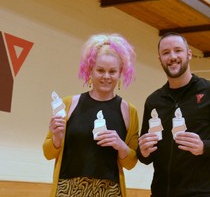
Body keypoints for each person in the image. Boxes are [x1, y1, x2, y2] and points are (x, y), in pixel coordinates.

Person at [137, 32, 210, 197]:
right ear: (160, 59)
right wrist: (143, 152)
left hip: (201, 192)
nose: (172, 57)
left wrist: (204, 147)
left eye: (178, 50)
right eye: (166, 53)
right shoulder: (153, 101)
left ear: (188, 54)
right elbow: (146, 157)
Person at [43, 33, 139, 197]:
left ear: (120, 73)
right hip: (67, 190)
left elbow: (131, 162)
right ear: (90, 70)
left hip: (109, 191)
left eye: (112, 71)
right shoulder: (68, 104)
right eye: (100, 70)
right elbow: (48, 153)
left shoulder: (129, 111)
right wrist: (57, 139)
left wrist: (121, 146)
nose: (106, 77)